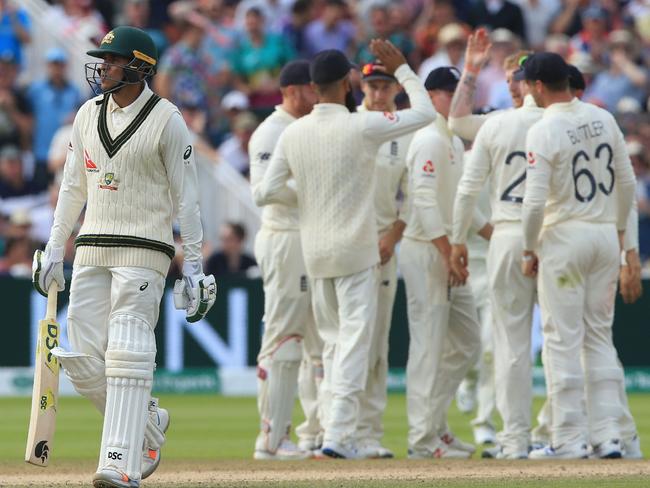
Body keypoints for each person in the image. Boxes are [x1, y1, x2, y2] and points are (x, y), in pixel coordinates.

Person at [31, 26, 216, 487]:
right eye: (105, 60)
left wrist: (192, 266)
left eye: (113, 60)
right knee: (80, 356)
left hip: (145, 248)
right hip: (92, 246)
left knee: (128, 351)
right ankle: (148, 428)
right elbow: (72, 187)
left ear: (140, 67)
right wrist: (56, 247)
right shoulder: (86, 114)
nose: (104, 67)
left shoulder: (167, 119)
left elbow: (187, 200)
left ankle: (120, 462)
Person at [255, 40, 435, 459]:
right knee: (353, 344)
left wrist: (311, 194)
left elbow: (266, 192)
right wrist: (405, 70)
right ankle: (338, 436)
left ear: (315, 87)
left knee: (335, 346)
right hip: (356, 251)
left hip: (315, 253)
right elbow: (426, 113)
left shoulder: (294, 132)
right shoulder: (362, 125)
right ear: (344, 83)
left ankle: (335, 432)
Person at [520, 52, 635, 459]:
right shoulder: (602, 117)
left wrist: (528, 247)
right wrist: (628, 249)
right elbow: (627, 183)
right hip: (605, 238)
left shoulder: (543, 129)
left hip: (564, 240)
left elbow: (534, 203)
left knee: (561, 339)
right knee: (599, 337)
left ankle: (567, 439)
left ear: (536, 87)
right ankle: (608, 437)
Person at [450, 56, 544, 459]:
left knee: (539, 344)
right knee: (492, 345)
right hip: (493, 247)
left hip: (532, 238)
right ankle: (498, 425)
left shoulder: (551, 122)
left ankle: (533, 429)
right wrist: (470, 71)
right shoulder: (495, 124)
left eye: (519, 79)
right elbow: (456, 123)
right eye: (508, 79)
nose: (513, 85)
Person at [400, 66, 490, 459]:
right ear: (433, 95)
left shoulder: (452, 141)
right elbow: (421, 200)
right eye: (451, 94)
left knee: (468, 342)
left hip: (447, 249)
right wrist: (447, 249)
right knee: (427, 346)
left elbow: (458, 203)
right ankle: (422, 441)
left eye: (462, 94)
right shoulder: (429, 139)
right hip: (425, 249)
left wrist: (496, 236)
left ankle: (435, 425)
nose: (459, 101)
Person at [248, 60, 318, 460]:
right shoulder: (270, 132)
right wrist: (316, 190)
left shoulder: (304, 128)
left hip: (309, 237)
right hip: (284, 238)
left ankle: (311, 431)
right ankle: (272, 437)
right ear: (293, 90)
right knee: (283, 339)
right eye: (312, 89)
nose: (318, 96)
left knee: (314, 343)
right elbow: (264, 189)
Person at [355, 61, 414, 459]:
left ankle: (369, 433)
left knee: (376, 342)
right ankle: (335, 427)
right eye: (372, 86)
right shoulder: (347, 124)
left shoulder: (404, 132)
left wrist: (395, 232)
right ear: (361, 87)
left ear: (395, 89)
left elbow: (411, 191)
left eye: (384, 86)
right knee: (343, 341)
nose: (378, 93)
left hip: (385, 245)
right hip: (346, 247)